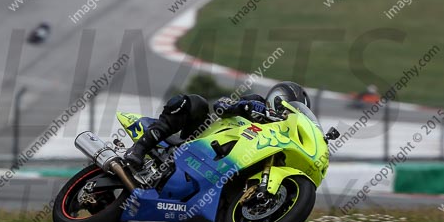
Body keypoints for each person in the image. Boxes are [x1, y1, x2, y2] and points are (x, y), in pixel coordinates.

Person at [124, 81, 310, 170]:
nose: (283, 109)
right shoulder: (255, 103)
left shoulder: (282, 138)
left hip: (224, 167)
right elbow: (221, 105)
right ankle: (138, 149)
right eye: (283, 102)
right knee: (196, 103)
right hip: (200, 142)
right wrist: (244, 106)